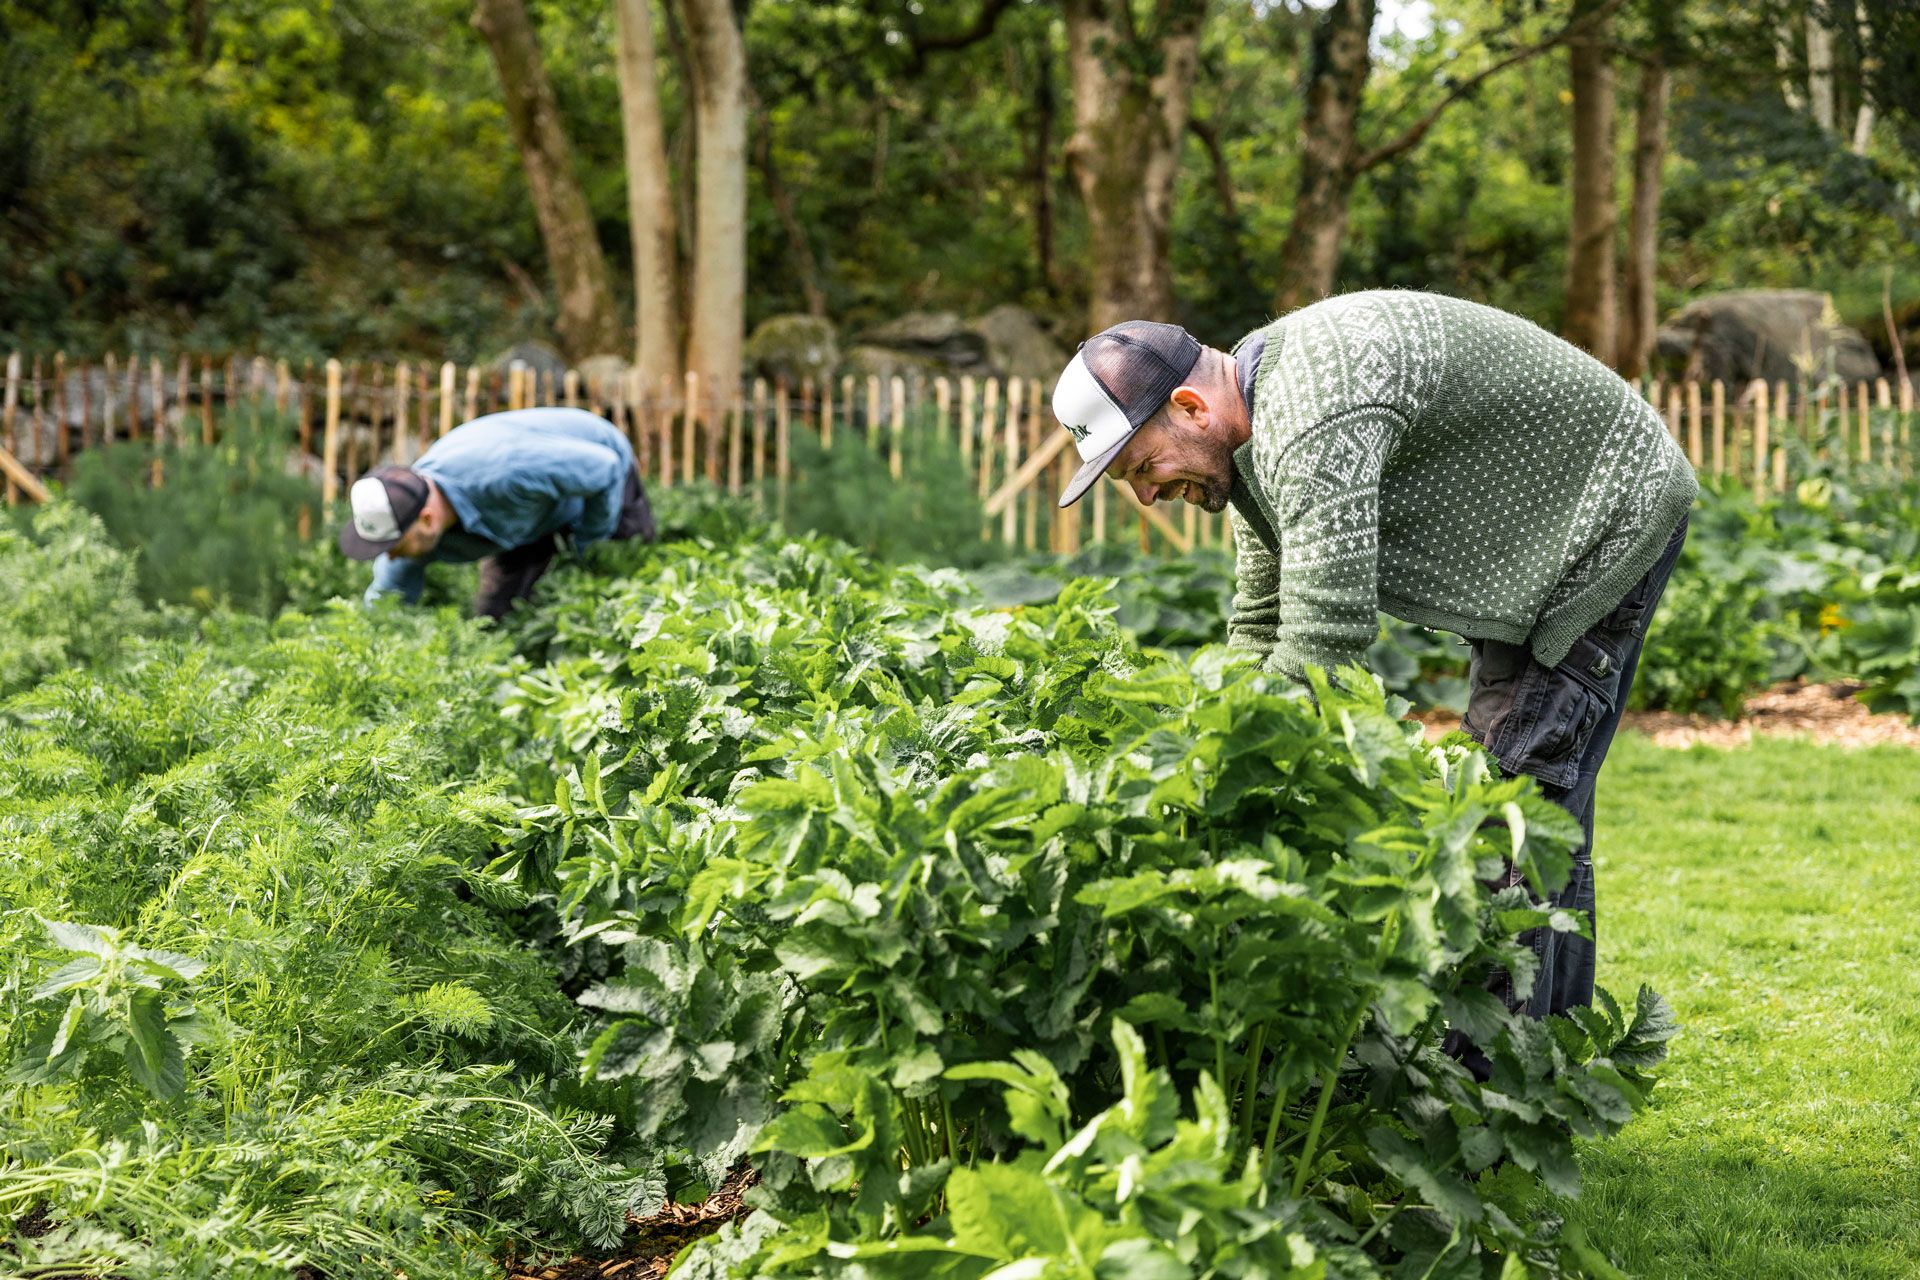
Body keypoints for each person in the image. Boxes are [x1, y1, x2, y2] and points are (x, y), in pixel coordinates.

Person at [1049, 290, 1697, 1034]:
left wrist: (1233, 794)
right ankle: (1552, 1070)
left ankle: (1480, 1094)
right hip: (1543, 542)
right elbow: (1263, 623)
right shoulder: (1260, 427)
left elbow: (1326, 641)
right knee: (1541, 819)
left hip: (1607, 517)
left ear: (1192, 408)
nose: (1149, 494)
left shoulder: (1314, 414)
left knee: (1503, 814)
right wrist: (1210, 749)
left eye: (1141, 466)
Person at [339, 406, 655, 618]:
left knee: (620, 589)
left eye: (393, 547)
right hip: (523, 517)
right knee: (497, 619)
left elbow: (604, 468)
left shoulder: (507, 471)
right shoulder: (410, 516)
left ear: (427, 519)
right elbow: (388, 594)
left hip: (595, 472)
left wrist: (588, 547)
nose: (390, 557)